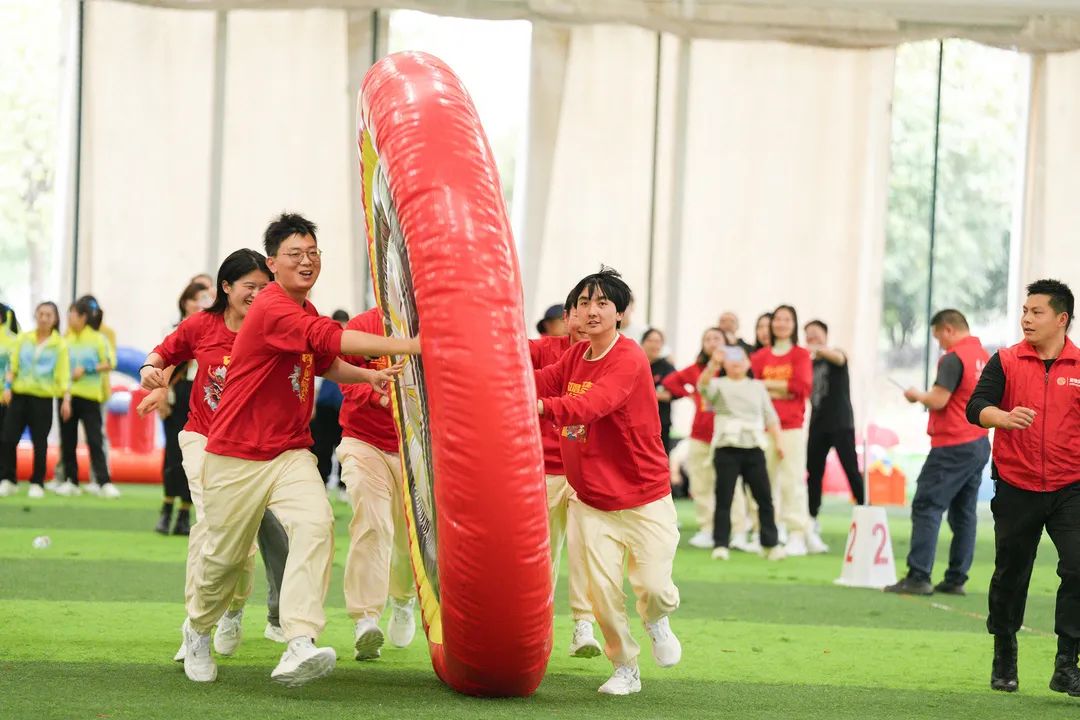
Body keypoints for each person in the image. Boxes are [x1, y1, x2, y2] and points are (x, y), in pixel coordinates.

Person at [171, 213, 418, 687]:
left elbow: (323, 360)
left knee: (316, 523)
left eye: (313, 253)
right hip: (236, 454)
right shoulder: (272, 306)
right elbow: (331, 338)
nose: (307, 261)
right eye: (295, 254)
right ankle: (198, 628)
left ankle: (299, 639)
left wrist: (365, 375)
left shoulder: (303, 309)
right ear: (273, 263)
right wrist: (414, 345)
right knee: (224, 560)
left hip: (289, 453)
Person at [535, 267, 680, 696]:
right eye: (584, 303)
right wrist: (499, 378)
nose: (592, 310)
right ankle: (625, 667)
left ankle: (656, 618)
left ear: (620, 313)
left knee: (655, 588)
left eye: (602, 303)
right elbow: (542, 379)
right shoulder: (576, 356)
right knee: (601, 592)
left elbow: (594, 405)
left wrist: (539, 406)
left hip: (643, 495)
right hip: (591, 500)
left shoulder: (630, 358)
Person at [141, 250, 288, 654]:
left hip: (248, 447)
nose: (257, 294)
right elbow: (165, 352)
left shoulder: (274, 327)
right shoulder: (202, 324)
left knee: (240, 541)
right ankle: (196, 625)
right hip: (202, 438)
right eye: (249, 286)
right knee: (208, 525)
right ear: (227, 286)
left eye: (265, 287)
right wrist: (151, 375)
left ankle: (233, 609)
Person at [965, 279, 1080, 696]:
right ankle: (1004, 651)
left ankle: (1067, 663)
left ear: (1061, 319)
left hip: (1071, 488)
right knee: (1011, 574)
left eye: (1036, 312)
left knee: (1078, 568)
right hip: (1017, 485)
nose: (1026, 319)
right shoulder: (1006, 360)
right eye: (1025, 311)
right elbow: (975, 406)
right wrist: (1002, 417)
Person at [884, 309, 990, 597]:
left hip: (952, 444)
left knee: (927, 505)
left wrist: (916, 395)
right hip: (978, 441)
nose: (939, 344)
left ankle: (919, 575)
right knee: (964, 513)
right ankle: (956, 578)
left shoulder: (953, 358)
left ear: (948, 329)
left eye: (938, 337)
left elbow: (939, 400)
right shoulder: (983, 356)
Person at [335, 307, 419, 661]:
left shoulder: (440, 326)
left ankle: (403, 599)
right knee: (372, 522)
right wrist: (380, 397)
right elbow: (345, 376)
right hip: (364, 441)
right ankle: (366, 618)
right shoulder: (365, 325)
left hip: (416, 448)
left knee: (408, 537)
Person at [529, 293, 601, 659]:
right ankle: (536, 626)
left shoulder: (610, 358)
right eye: (579, 310)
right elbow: (508, 355)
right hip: (544, 470)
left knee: (585, 544)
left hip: (586, 470)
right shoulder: (546, 350)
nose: (586, 317)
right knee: (542, 552)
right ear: (567, 318)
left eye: (595, 309)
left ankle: (583, 624)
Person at [698, 346, 785, 561]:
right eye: (731, 358)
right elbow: (703, 387)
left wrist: (779, 442)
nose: (736, 362)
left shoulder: (758, 387)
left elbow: (770, 416)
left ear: (748, 362)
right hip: (726, 446)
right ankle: (720, 544)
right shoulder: (718, 383)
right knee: (724, 497)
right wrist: (713, 364)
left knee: (764, 497)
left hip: (754, 447)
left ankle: (770, 543)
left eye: (740, 358)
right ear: (724, 363)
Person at [751, 305, 821, 555]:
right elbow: (752, 388)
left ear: (794, 324)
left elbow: (801, 387)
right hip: (763, 427)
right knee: (762, 483)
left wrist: (766, 385)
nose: (781, 323)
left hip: (791, 427)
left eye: (787, 319)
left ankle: (797, 533)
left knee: (793, 481)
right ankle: (765, 531)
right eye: (777, 319)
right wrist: (782, 387)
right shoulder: (759, 357)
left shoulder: (801, 355)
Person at [153, 281, 210, 534]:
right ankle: (166, 509)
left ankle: (185, 513)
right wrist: (161, 395)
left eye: (206, 298)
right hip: (177, 394)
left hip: (203, 392)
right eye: (197, 298)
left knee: (196, 456)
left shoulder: (214, 330)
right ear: (186, 302)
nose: (201, 303)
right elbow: (164, 363)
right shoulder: (174, 330)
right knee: (173, 453)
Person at [662, 328, 724, 549]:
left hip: (727, 435)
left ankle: (734, 529)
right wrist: (690, 395)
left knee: (729, 485)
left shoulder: (733, 367)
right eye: (708, 339)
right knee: (700, 483)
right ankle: (707, 528)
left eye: (717, 338)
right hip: (700, 433)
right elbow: (671, 382)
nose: (712, 342)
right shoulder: (697, 369)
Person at [0, 302, 68, 499]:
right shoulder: (24, 338)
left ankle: (37, 482)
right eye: (41, 314)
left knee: (40, 441)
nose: (44, 318)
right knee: (8, 437)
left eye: (48, 315)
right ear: (35, 315)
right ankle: (8, 479)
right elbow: (13, 365)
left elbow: (63, 375)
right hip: (19, 395)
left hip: (43, 398)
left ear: (55, 319)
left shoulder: (59, 344)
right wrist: (7, 387)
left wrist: (66, 399)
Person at [804, 320, 865, 527]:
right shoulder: (809, 364)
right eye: (808, 334)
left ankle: (865, 511)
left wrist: (816, 349)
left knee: (851, 469)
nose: (811, 336)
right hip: (817, 424)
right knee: (814, 472)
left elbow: (839, 358)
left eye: (815, 332)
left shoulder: (836, 355)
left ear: (825, 335)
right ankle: (811, 517)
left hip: (841, 423)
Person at [55, 296, 117, 498]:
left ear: (82, 317)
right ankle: (70, 480)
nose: (69, 318)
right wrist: (65, 395)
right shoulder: (66, 340)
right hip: (67, 397)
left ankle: (103, 481)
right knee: (68, 439)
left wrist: (87, 369)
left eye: (72, 314)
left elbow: (109, 362)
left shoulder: (98, 339)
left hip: (90, 397)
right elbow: (61, 369)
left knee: (95, 439)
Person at [310, 309, 350, 487]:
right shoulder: (324, 344)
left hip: (343, 406)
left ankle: (343, 485)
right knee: (323, 446)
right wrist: (312, 405)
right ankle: (322, 481)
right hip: (324, 406)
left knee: (343, 445)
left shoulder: (350, 346)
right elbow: (316, 378)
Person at [641, 328, 676, 455]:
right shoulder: (636, 364)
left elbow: (673, 394)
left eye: (658, 341)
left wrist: (645, 393)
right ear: (642, 343)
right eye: (650, 341)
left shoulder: (667, 367)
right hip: (636, 422)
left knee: (659, 457)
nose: (654, 345)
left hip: (660, 423)